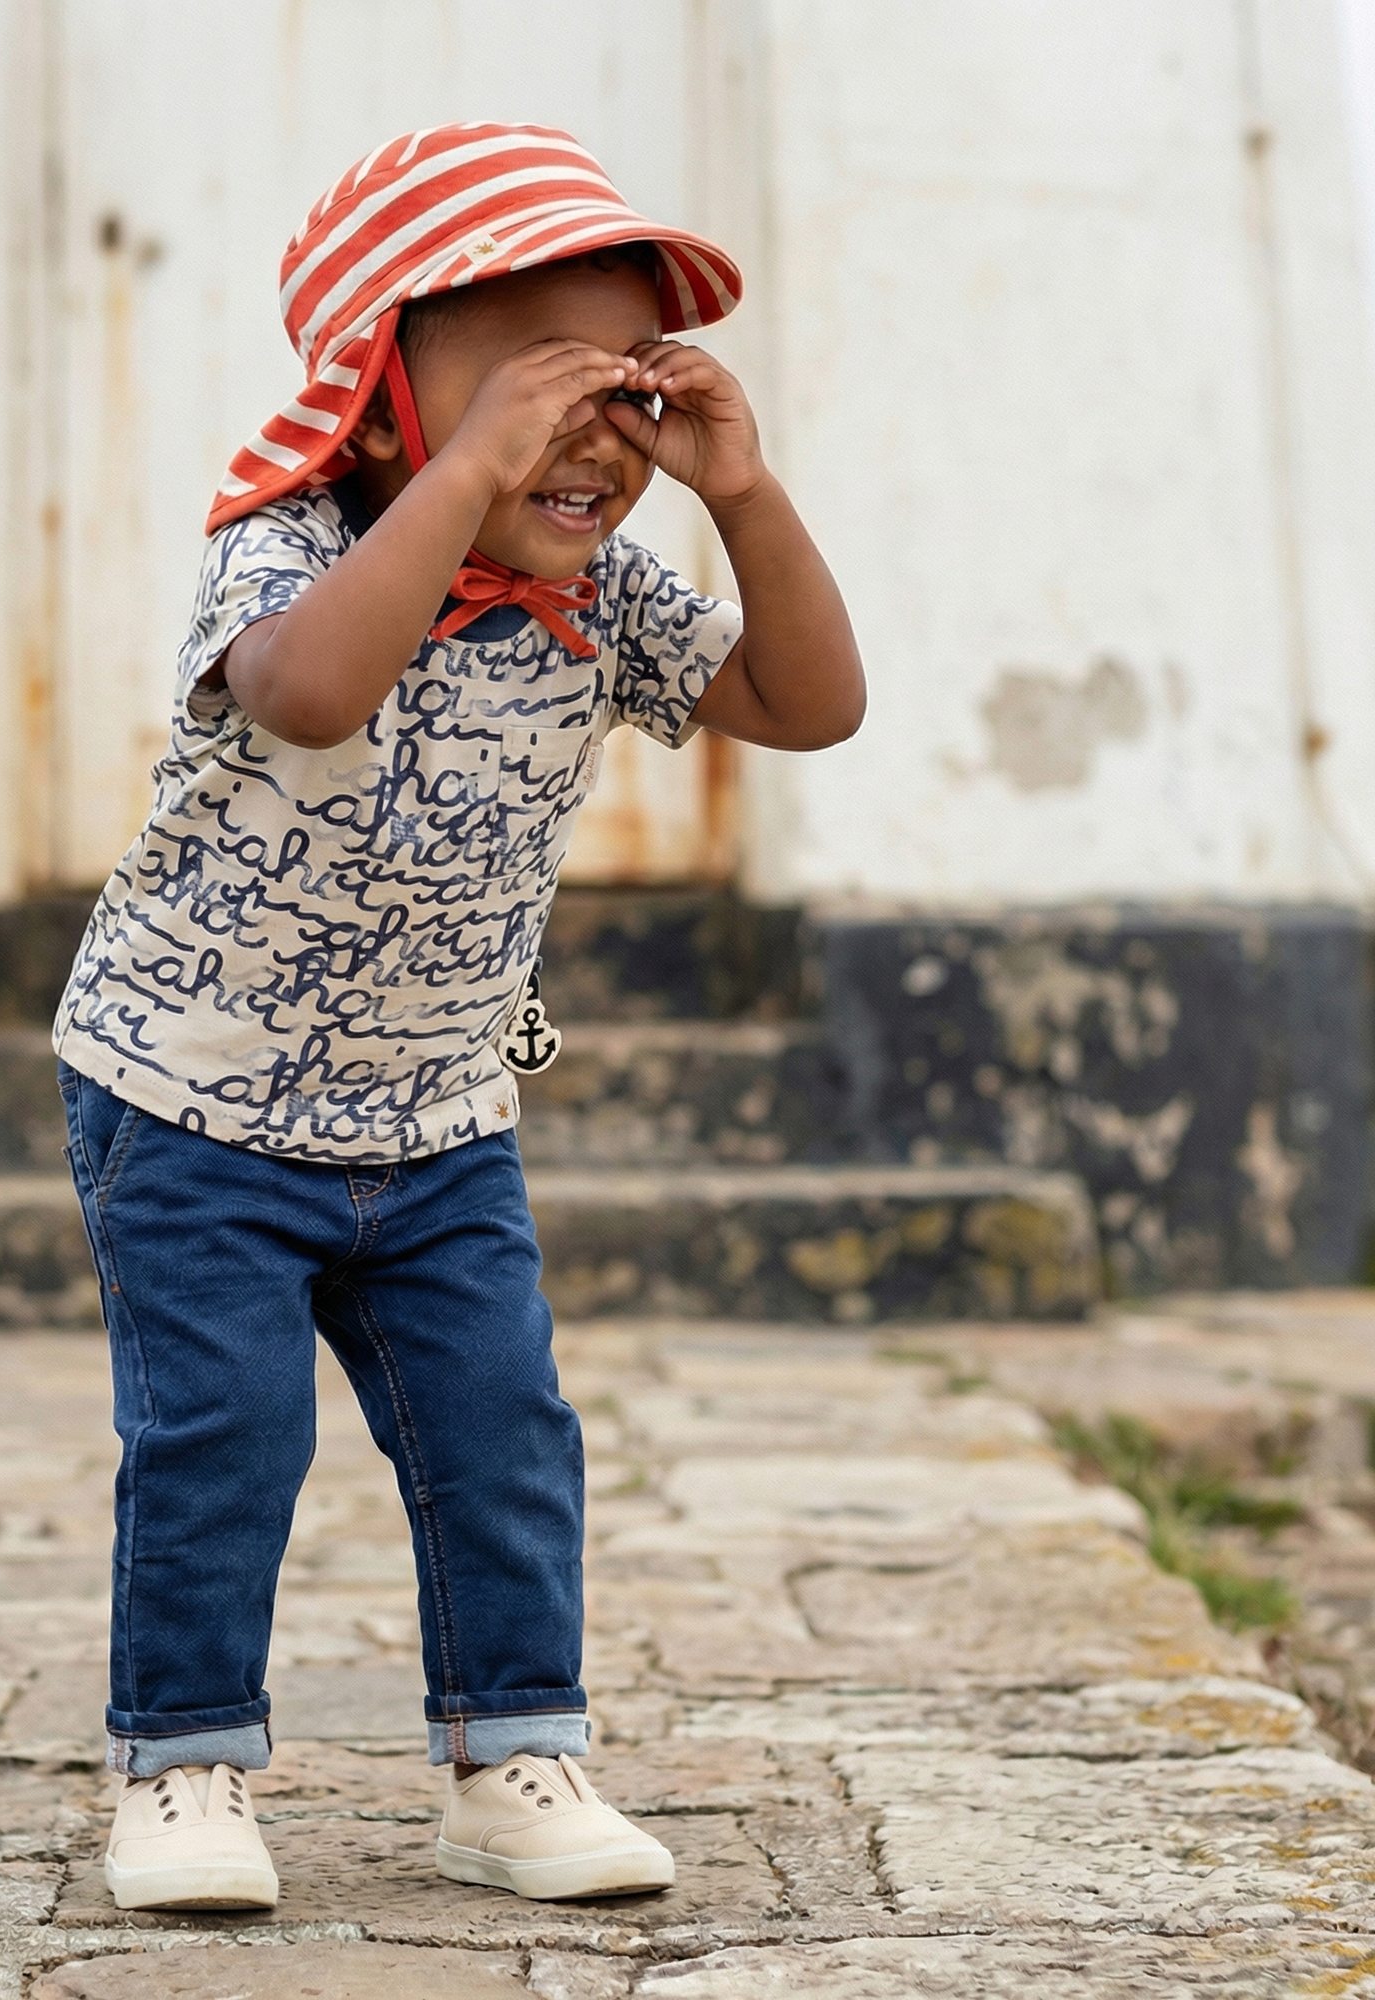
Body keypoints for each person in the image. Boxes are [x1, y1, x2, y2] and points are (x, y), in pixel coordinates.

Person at [53, 123, 863, 1912]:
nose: (588, 435)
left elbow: (809, 704)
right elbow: (312, 693)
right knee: (222, 1434)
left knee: (502, 1433)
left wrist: (740, 491)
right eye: (529, 388)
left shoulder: (595, 600)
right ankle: (183, 1768)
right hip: (190, 1100)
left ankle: (514, 1759)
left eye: (624, 389)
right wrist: (469, 470)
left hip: (436, 1122)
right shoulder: (285, 548)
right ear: (372, 402)